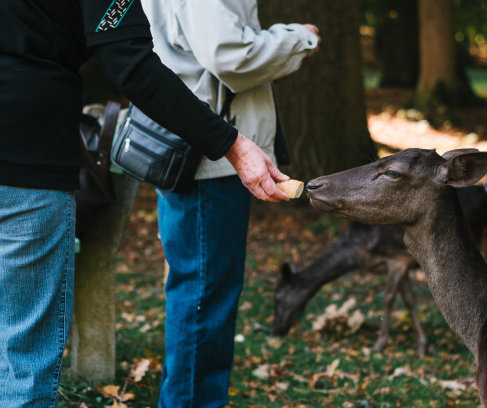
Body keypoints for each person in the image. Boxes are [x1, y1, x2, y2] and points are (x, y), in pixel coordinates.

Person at [0, 1, 290, 407]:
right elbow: (134, 68)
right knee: (24, 363)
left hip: (24, 159)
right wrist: (233, 145)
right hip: (25, 162)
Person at [138, 0, 320, 406]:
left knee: (198, 292)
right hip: (208, 158)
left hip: (194, 150)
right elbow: (229, 55)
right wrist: (299, 38)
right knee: (204, 298)